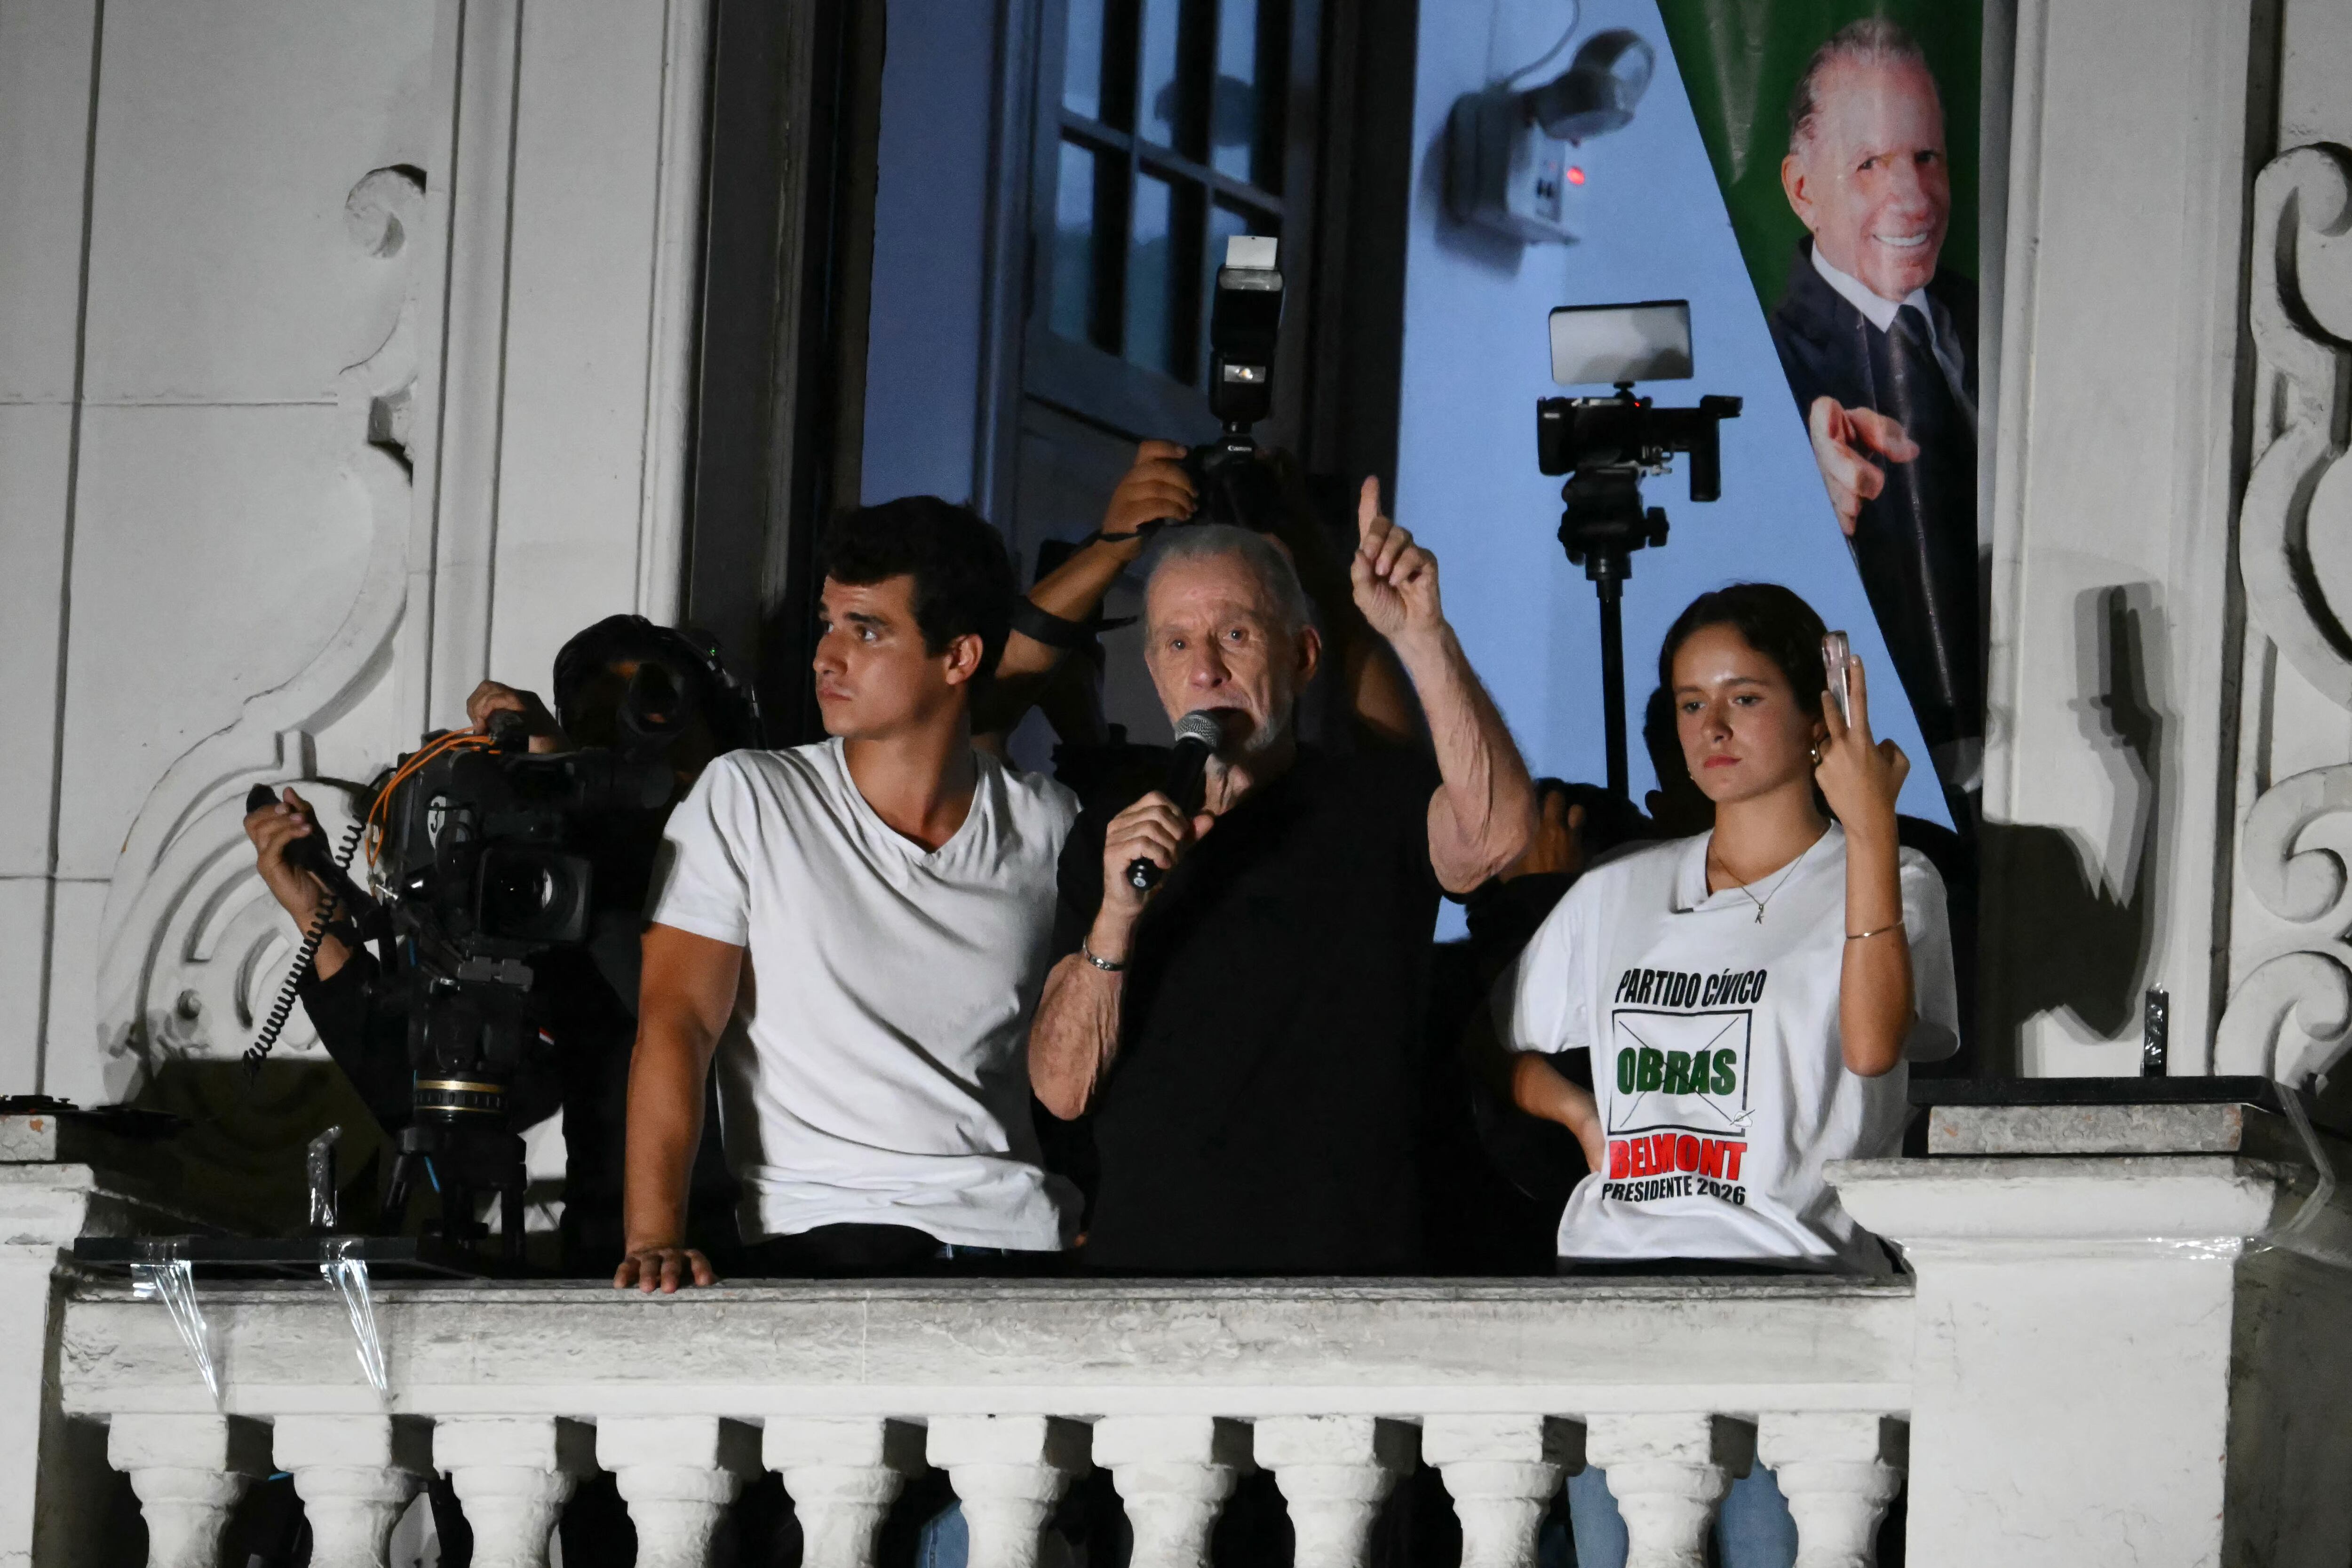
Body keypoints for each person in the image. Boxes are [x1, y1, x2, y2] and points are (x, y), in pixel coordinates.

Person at [1489, 582, 1957, 1568]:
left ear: (1812, 710)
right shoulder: (1617, 891)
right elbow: (1499, 1047)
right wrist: (1578, 1112)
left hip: (1794, 1297)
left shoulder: (1894, 874)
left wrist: (1871, 828)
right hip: (1616, 1293)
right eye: (1689, 701)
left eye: (1743, 696)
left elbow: (1873, 1044)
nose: (1712, 725)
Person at [1026, 482, 1537, 1273]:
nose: (1205, 670)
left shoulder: (1373, 803)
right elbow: (1062, 1089)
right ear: (1156, 672)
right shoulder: (1114, 831)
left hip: (1342, 1279)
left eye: (1235, 633)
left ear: (1302, 656)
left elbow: (1499, 835)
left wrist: (1423, 636)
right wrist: (1116, 921)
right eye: (1176, 643)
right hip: (1147, 1283)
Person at [619, 497, 1081, 1291]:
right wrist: (654, 1234)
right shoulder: (751, 798)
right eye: (829, 623)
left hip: (1019, 1244)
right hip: (821, 1242)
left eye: (866, 629)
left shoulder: (1047, 821)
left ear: (959, 658)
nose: (827, 656)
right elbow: (679, 1021)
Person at [241, 617, 755, 1274]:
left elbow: (668, 990)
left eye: (647, 729)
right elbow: (422, 1096)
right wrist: (315, 915)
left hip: (768, 1254)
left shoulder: (776, 853)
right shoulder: (559, 902)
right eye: (597, 741)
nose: (627, 765)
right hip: (618, 1273)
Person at [1769, 19, 1980, 823]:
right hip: (1883, 797)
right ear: (1802, 190)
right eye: (1870, 165)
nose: (1913, 197)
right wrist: (1811, 495)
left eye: (1927, 157)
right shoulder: (1769, 369)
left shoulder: (1999, 313)